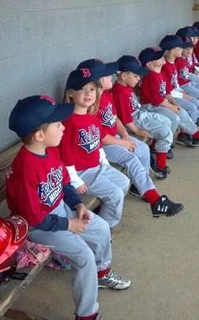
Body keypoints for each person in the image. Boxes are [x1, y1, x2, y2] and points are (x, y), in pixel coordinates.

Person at [6, 95, 131, 320]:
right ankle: (87, 315)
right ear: (39, 135)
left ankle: (102, 273)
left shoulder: (49, 150)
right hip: (39, 227)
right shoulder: (24, 169)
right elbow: (34, 218)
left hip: (60, 212)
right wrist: (69, 224)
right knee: (84, 256)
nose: (63, 127)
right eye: (57, 124)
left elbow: (64, 183)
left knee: (101, 227)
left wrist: (79, 205)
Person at [76, 58, 183, 218]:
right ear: (95, 82)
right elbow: (101, 136)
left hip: (115, 137)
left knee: (143, 148)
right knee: (131, 158)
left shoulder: (106, 95)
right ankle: (154, 199)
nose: (111, 77)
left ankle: (140, 187)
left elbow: (116, 118)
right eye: (106, 76)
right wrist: (122, 142)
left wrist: (126, 135)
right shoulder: (91, 105)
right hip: (103, 145)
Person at [60, 66, 130, 228]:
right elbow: (66, 156)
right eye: (82, 89)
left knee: (125, 182)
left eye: (92, 89)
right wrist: (75, 180)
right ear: (70, 93)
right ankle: (104, 227)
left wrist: (104, 162)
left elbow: (98, 145)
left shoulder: (92, 117)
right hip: (81, 172)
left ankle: (102, 215)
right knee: (116, 194)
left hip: (97, 166)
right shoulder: (69, 121)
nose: (88, 93)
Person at [112, 55, 174, 182]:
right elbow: (126, 119)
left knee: (167, 121)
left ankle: (155, 151)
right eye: (135, 76)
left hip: (140, 113)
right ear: (124, 76)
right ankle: (159, 166)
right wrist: (138, 131)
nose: (139, 78)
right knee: (165, 132)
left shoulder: (126, 86)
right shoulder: (119, 92)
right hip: (135, 120)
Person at [138, 47, 199, 148]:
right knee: (174, 117)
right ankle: (162, 143)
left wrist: (175, 104)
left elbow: (167, 93)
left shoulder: (160, 73)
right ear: (149, 64)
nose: (162, 57)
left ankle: (194, 133)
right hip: (151, 106)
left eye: (161, 55)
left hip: (162, 103)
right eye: (157, 57)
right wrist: (171, 107)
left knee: (181, 111)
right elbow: (157, 100)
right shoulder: (150, 76)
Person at [159, 35, 199, 125]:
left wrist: (182, 92)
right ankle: (188, 133)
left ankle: (194, 123)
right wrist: (181, 95)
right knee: (192, 107)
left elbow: (175, 84)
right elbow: (167, 91)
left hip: (178, 91)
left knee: (196, 102)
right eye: (181, 47)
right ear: (173, 51)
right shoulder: (165, 67)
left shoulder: (173, 61)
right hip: (171, 96)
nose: (183, 49)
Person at [174, 27, 199, 99]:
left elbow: (194, 66)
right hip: (183, 84)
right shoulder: (178, 58)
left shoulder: (188, 53)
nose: (196, 39)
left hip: (189, 79)